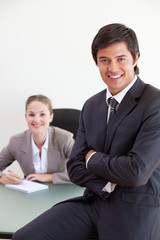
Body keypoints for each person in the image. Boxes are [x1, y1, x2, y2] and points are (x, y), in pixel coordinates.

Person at [12, 23, 160, 240]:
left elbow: (137, 171)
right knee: (25, 237)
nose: (112, 68)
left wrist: (92, 158)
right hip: (95, 199)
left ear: (135, 58)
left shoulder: (154, 103)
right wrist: (106, 184)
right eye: (104, 60)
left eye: (121, 59)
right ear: (97, 62)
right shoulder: (91, 105)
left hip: (135, 208)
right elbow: (74, 166)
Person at [0, 94, 74, 185]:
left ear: (51, 117)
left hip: (59, 191)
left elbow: (83, 171)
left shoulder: (65, 139)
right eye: (31, 115)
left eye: (42, 114)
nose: (36, 120)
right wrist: (2, 177)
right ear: (26, 117)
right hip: (30, 192)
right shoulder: (16, 142)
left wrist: (50, 177)